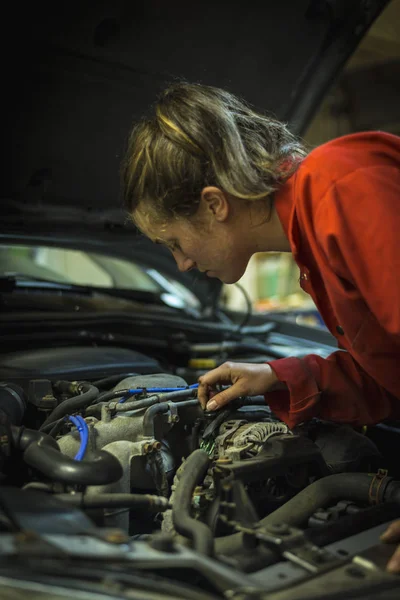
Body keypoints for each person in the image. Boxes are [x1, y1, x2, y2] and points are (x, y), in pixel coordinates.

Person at [122, 81, 400, 571]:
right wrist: (283, 375)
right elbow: (389, 381)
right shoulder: (313, 235)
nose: (182, 264)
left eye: (174, 242)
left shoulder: (340, 185)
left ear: (214, 204)